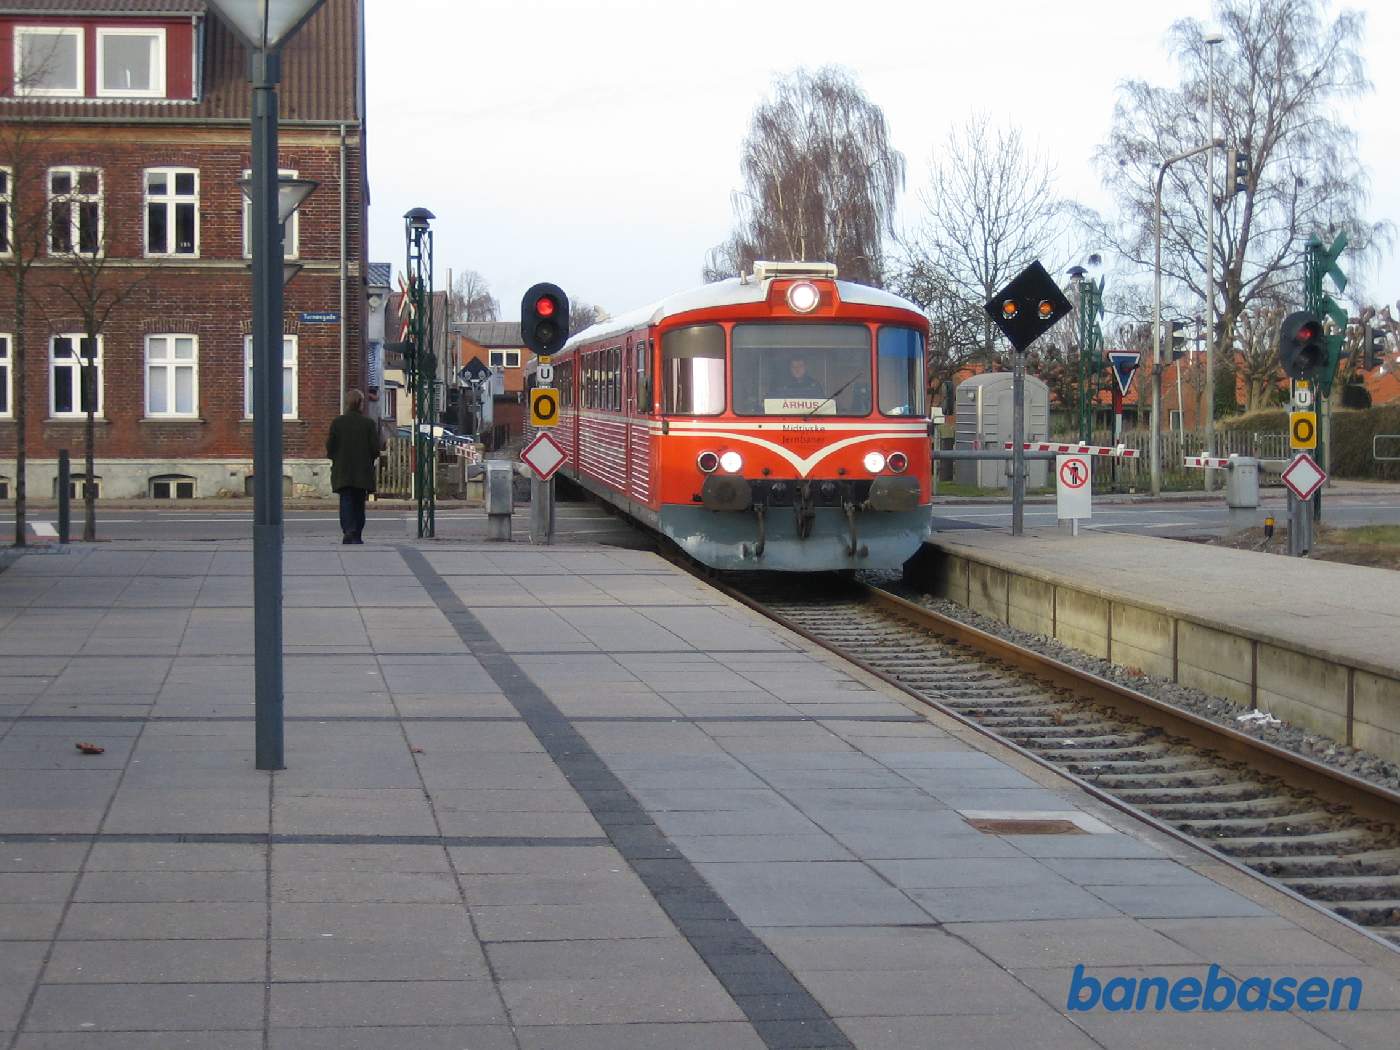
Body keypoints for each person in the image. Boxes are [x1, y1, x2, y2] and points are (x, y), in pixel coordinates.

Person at [326, 389, 384, 544]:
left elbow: (330, 447)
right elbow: (375, 449)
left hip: (343, 470)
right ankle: (357, 533)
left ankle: (348, 529)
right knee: (359, 502)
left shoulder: (337, 423)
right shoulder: (368, 424)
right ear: (360, 403)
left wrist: (337, 458)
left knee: (346, 500)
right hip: (362, 471)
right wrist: (369, 458)